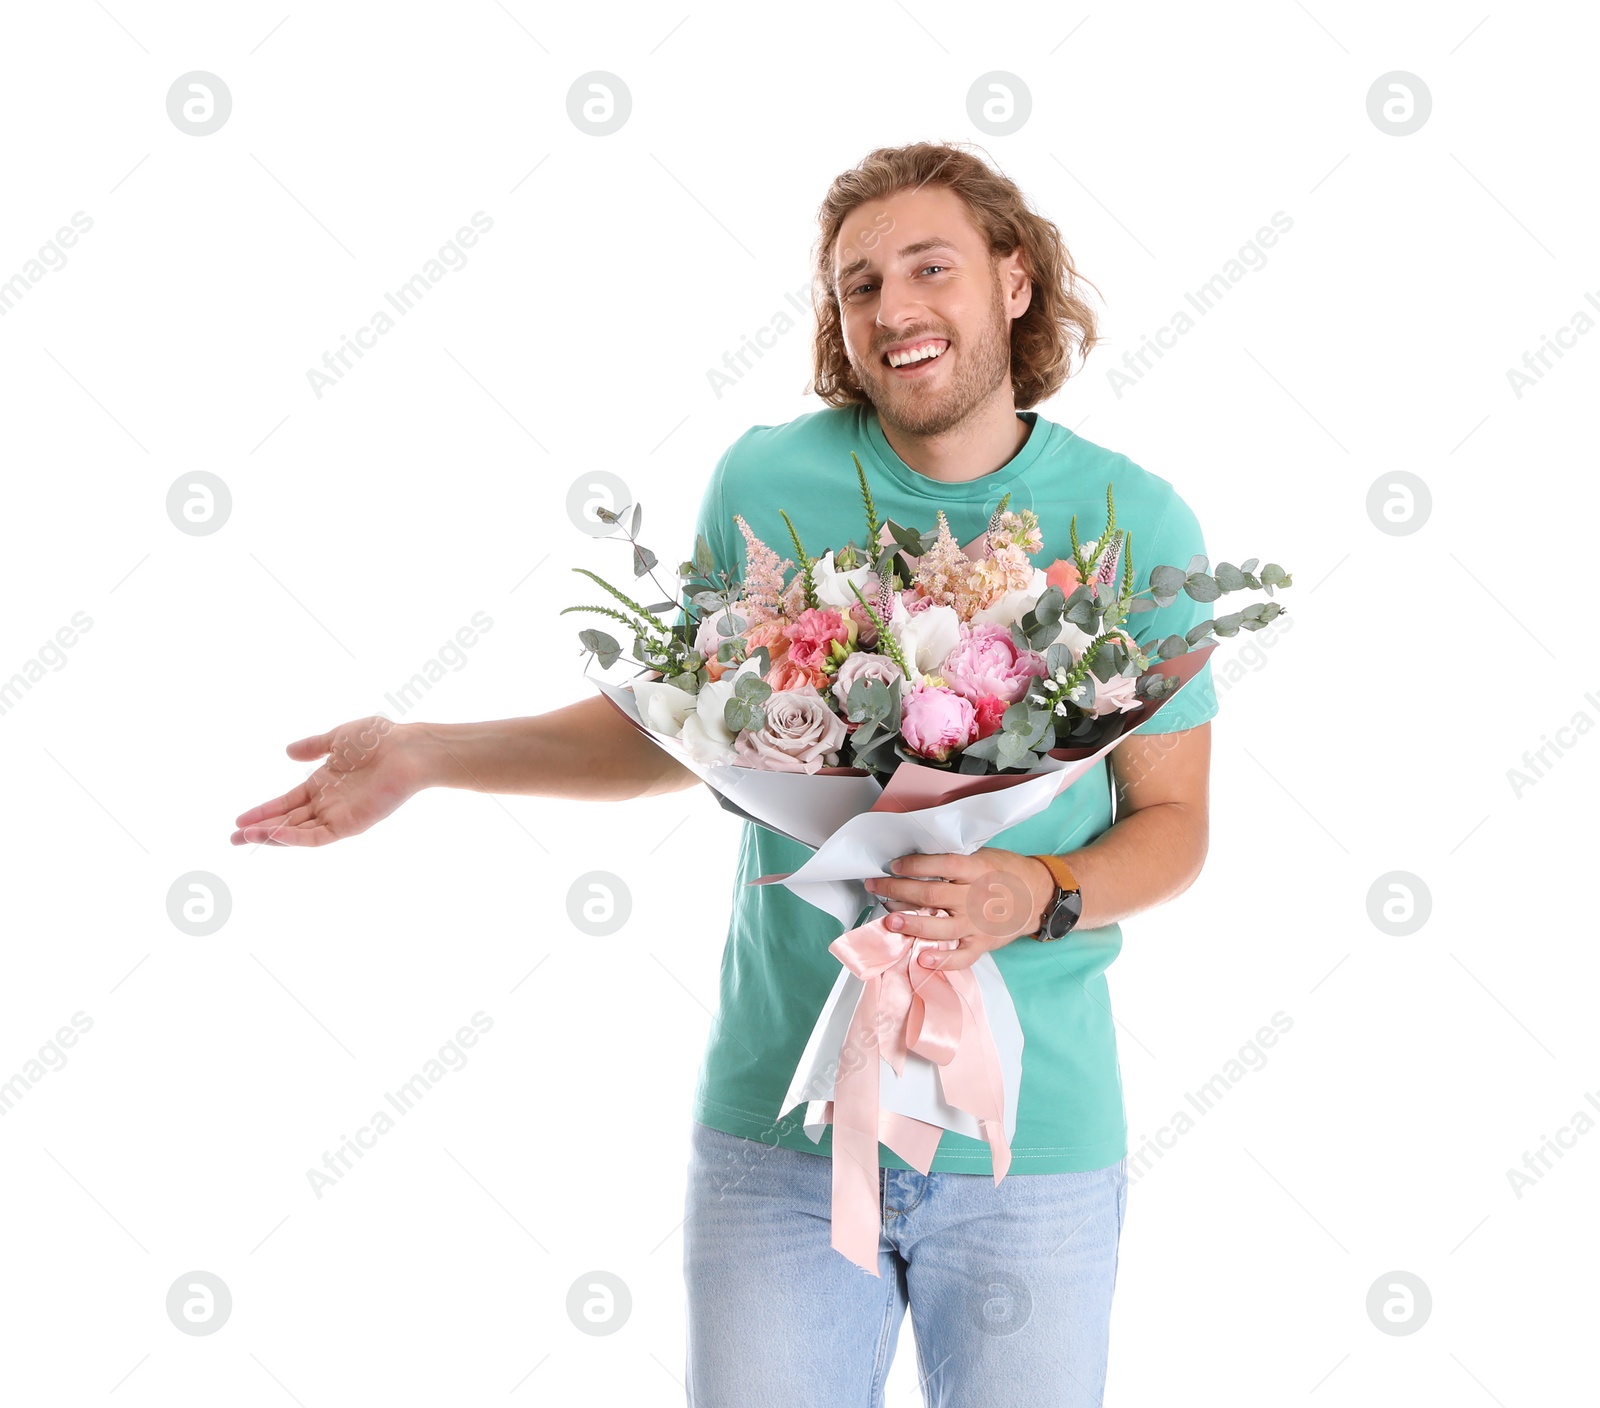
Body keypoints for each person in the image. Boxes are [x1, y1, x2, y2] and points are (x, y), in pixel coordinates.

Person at [232, 140, 1218, 1407]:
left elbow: (1174, 823)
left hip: (1030, 1143)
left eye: (931, 268)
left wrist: (1028, 891)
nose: (893, 310)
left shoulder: (1135, 521)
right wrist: (428, 754)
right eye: (859, 285)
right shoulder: (769, 482)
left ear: (1014, 282)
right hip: (779, 1131)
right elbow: (672, 734)